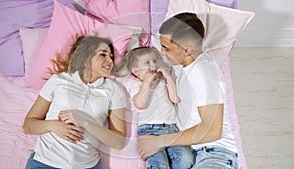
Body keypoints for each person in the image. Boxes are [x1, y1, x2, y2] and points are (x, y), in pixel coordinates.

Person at [137, 13, 238, 169]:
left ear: (187, 50)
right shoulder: (182, 65)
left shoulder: (205, 75)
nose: (162, 52)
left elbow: (212, 130)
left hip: (214, 153)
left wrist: (159, 141)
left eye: (166, 48)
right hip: (190, 151)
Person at [23, 36, 127, 169]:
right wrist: (54, 126)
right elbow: (28, 125)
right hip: (45, 162)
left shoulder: (114, 90)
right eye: (103, 54)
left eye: (111, 56)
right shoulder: (59, 80)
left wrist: (85, 122)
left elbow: (118, 142)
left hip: (87, 165)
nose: (110, 61)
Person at [113, 46, 194, 169]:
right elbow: (140, 104)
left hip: (171, 129)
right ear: (136, 72)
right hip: (148, 131)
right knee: (159, 164)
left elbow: (175, 99)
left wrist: (167, 77)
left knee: (186, 158)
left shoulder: (162, 82)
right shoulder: (136, 85)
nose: (153, 65)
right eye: (147, 63)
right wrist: (146, 83)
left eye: (155, 61)